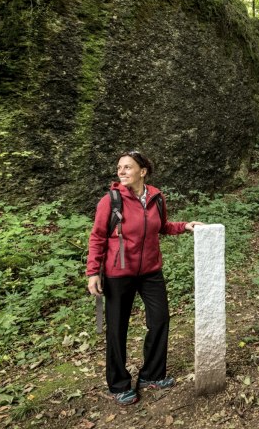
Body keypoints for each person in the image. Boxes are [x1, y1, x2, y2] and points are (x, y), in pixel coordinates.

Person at [86, 150, 203, 405]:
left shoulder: (156, 197)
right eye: (119, 167)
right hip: (118, 274)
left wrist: (185, 226)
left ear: (143, 171)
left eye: (128, 167)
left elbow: (162, 226)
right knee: (117, 329)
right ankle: (118, 384)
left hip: (150, 271)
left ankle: (152, 374)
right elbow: (97, 237)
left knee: (159, 319)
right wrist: (93, 271)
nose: (122, 171)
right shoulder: (111, 200)